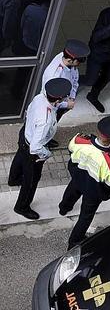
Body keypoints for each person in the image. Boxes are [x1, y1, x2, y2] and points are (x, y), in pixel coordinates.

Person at [7, 78, 72, 220]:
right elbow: (36, 147)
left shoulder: (39, 98)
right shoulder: (46, 120)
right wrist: (46, 153)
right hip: (33, 149)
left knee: (19, 157)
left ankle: (13, 179)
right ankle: (22, 206)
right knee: (32, 180)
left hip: (25, 134)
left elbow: (28, 111)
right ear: (58, 98)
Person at [58, 116, 110, 249]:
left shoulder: (80, 139)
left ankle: (63, 208)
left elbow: (70, 150)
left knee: (71, 191)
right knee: (85, 217)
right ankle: (74, 241)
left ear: (98, 130)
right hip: (93, 192)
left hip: (77, 178)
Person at [42, 39, 89, 146]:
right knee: (49, 124)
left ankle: (48, 138)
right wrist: (67, 104)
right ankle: (44, 141)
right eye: (78, 62)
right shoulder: (54, 75)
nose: (79, 65)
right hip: (54, 105)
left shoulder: (68, 61)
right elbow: (48, 98)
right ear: (71, 60)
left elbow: (74, 79)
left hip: (64, 99)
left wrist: (72, 97)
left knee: (54, 123)